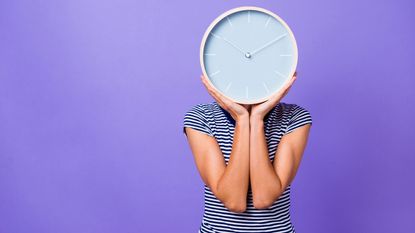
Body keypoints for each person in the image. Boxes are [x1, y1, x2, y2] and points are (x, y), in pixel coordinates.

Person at [183, 72, 312, 233]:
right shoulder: (202, 117)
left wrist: (256, 119)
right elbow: (234, 201)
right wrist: (242, 120)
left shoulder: (294, 117)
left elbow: (264, 199)